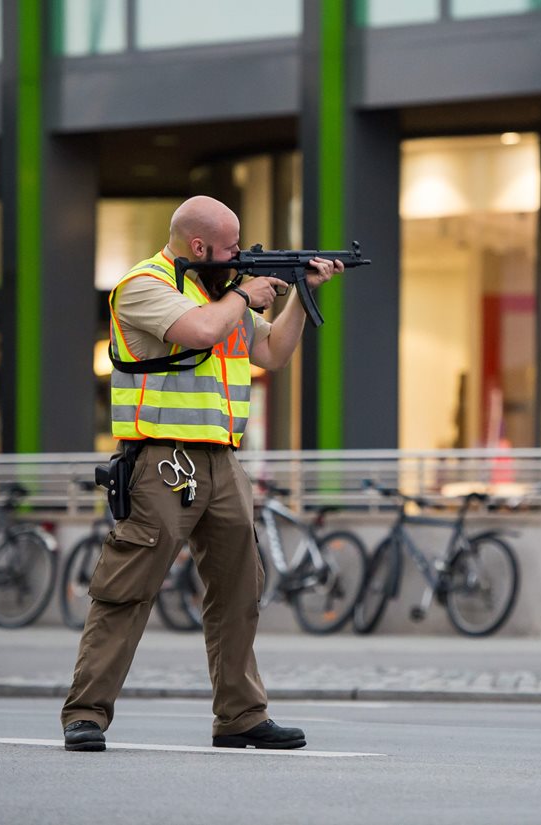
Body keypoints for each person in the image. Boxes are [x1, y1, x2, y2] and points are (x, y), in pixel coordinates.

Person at [61, 195, 344, 752]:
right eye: (231, 247)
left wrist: (301, 291)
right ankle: (86, 712)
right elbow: (198, 333)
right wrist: (244, 294)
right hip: (161, 459)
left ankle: (241, 715)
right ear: (198, 246)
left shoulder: (220, 294)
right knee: (127, 588)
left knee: (240, 590)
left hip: (221, 459)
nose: (239, 255)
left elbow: (274, 353)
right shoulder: (144, 286)